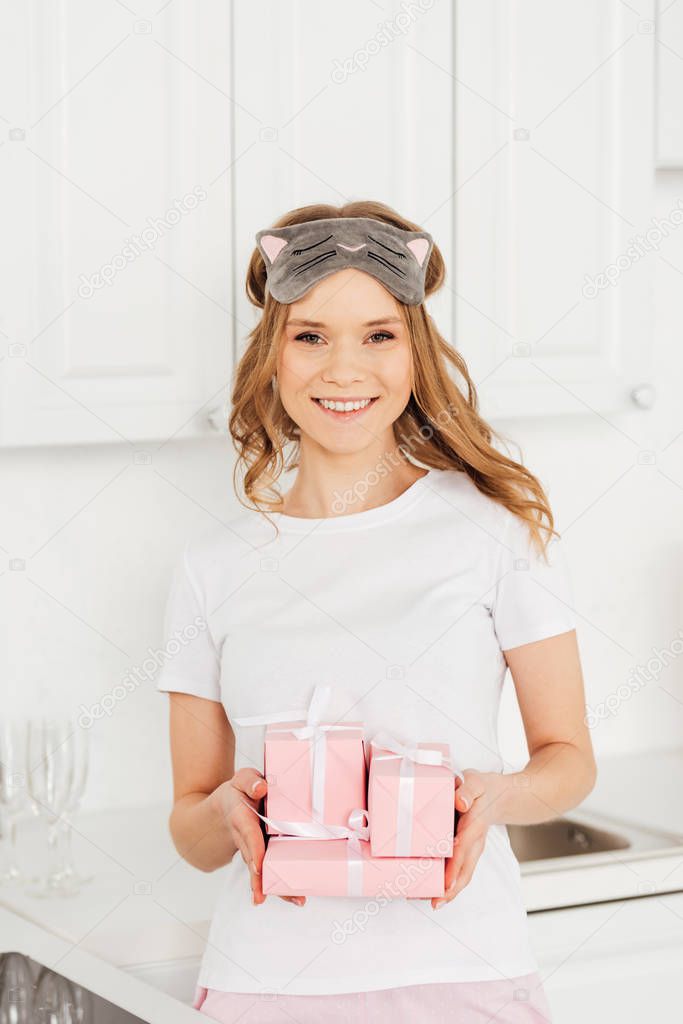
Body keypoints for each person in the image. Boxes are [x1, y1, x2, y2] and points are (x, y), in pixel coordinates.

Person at [156, 200, 596, 1023]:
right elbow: (189, 826)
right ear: (273, 358)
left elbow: (568, 758)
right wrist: (225, 812)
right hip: (266, 985)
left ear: (414, 354)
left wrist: (493, 798)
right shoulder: (210, 571)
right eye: (311, 335)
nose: (343, 368)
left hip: (463, 970)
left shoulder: (494, 531)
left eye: (379, 335)